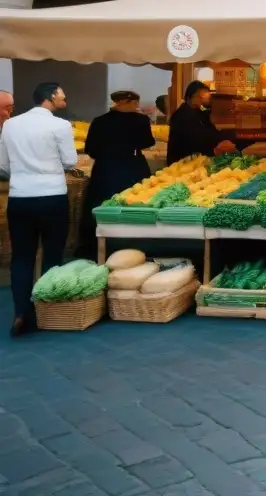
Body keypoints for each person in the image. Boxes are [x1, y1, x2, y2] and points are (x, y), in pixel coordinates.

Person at [0, 83, 78, 336]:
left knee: (21, 258)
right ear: (50, 97)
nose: (64, 98)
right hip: (52, 196)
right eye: (62, 94)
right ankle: (47, 311)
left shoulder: (11, 125)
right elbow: (70, 161)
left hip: (20, 197)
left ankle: (21, 313)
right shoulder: (60, 125)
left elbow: (3, 165)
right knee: (52, 255)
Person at [78, 91, 155, 259]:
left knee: (102, 207)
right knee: (134, 206)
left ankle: (97, 249)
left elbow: (90, 149)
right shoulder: (141, 120)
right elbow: (148, 142)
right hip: (133, 169)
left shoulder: (99, 121)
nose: (136, 106)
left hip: (105, 171)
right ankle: (135, 249)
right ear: (127, 102)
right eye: (135, 103)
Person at [167, 81, 235, 165]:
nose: (202, 99)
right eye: (198, 96)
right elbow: (195, 140)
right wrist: (215, 149)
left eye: (204, 97)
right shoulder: (182, 115)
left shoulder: (200, 112)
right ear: (188, 97)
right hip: (182, 163)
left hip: (196, 160)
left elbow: (211, 131)